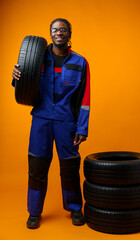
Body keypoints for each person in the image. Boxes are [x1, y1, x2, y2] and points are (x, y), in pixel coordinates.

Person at [12, 18, 90, 229]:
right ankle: (34, 212)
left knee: (70, 168)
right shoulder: (37, 59)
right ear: (50, 33)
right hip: (41, 120)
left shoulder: (80, 62)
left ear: (69, 33)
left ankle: (75, 208)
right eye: (54, 30)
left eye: (62, 29)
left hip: (66, 122)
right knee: (36, 167)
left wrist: (82, 128)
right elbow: (24, 85)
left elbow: (85, 99)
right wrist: (16, 77)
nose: (58, 33)